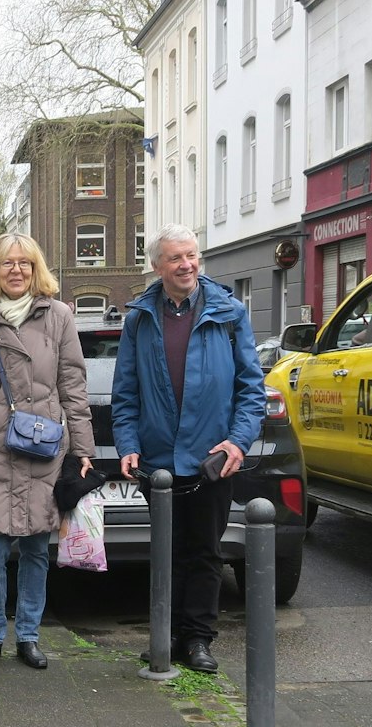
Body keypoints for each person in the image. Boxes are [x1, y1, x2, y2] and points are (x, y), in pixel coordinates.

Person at [110, 224, 267, 673]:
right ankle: (167, 635)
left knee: (205, 552)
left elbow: (251, 389)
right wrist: (128, 444)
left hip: (210, 459)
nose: (187, 265)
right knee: (166, 552)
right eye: (176, 258)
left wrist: (237, 442)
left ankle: (198, 639)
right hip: (159, 462)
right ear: (157, 266)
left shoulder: (229, 313)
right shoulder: (140, 318)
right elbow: (126, 393)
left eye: (192, 256)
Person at [0, 234, 95, 671]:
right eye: (7, 263)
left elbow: (74, 386)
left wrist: (83, 449)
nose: (16, 270)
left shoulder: (60, 317)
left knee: (34, 549)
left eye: (25, 263)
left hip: (43, 452)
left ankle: (28, 635)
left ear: (36, 270)